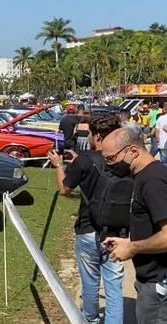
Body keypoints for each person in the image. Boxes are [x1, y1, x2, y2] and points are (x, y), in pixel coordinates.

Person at [47, 115, 124, 324]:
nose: (89, 137)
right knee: (114, 285)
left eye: (90, 134)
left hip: (88, 228)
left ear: (98, 136)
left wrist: (58, 165)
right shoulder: (124, 160)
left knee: (90, 282)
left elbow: (64, 189)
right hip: (117, 233)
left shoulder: (86, 159)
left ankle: (89, 320)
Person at [102, 127, 167, 323]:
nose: (108, 165)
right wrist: (129, 241)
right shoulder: (142, 176)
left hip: (157, 283)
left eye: (111, 159)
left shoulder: (153, 180)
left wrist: (132, 247)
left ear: (132, 151)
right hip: (149, 279)